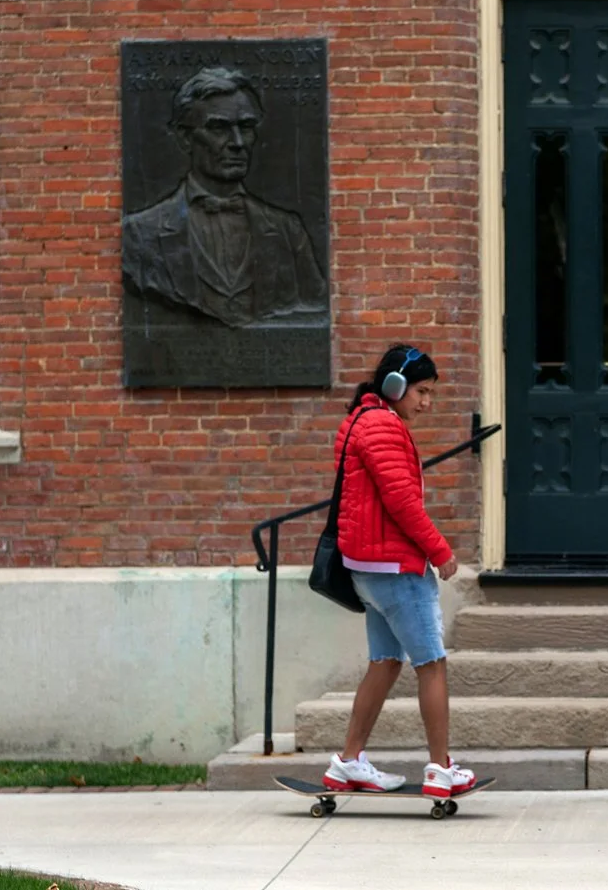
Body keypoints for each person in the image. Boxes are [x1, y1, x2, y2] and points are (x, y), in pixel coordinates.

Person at [321, 344, 476, 798]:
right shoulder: (383, 427)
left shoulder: (360, 420)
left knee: (386, 661)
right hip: (395, 569)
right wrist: (439, 551)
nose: (426, 403)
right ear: (395, 385)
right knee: (432, 664)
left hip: (368, 569)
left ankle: (348, 763)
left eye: (431, 393)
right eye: (421, 391)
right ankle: (441, 769)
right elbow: (402, 502)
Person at [122, 66, 328, 328]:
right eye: (219, 128)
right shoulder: (139, 235)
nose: (238, 142)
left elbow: (315, 317)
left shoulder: (288, 232)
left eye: (246, 127)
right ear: (185, 138)